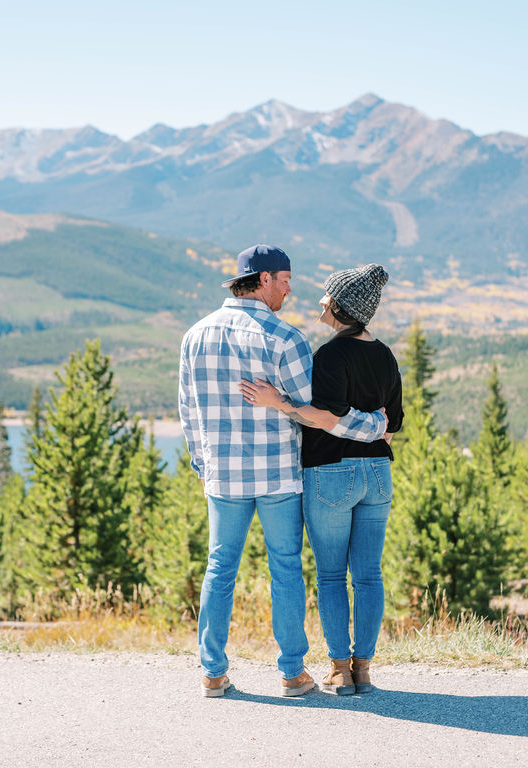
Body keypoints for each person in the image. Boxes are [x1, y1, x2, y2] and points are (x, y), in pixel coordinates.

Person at [178, 244, 388, 699]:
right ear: (265, 279)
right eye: (287, 280)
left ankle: (213, 672)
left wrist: (203, 465)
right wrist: (375, 426)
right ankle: (292, 673)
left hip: (225, 477)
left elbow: (188, 413)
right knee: (286, 568)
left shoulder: (195, 335)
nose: (291, 290)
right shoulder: (285, 339)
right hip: (277, 475)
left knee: (219, 568)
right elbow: (312, 411)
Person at [239, 263, 402, 696]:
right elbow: (391, 425)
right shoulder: (385, 354)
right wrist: (371, 425)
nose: (319, 301)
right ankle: (364, 667)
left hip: (331, 472)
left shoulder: (329, 355)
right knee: (369, 575)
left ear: (340, 304)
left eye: (326, 296)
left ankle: (339, 669)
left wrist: (279, 403)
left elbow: (323, 417)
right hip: (378, 472)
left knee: (331, 576)